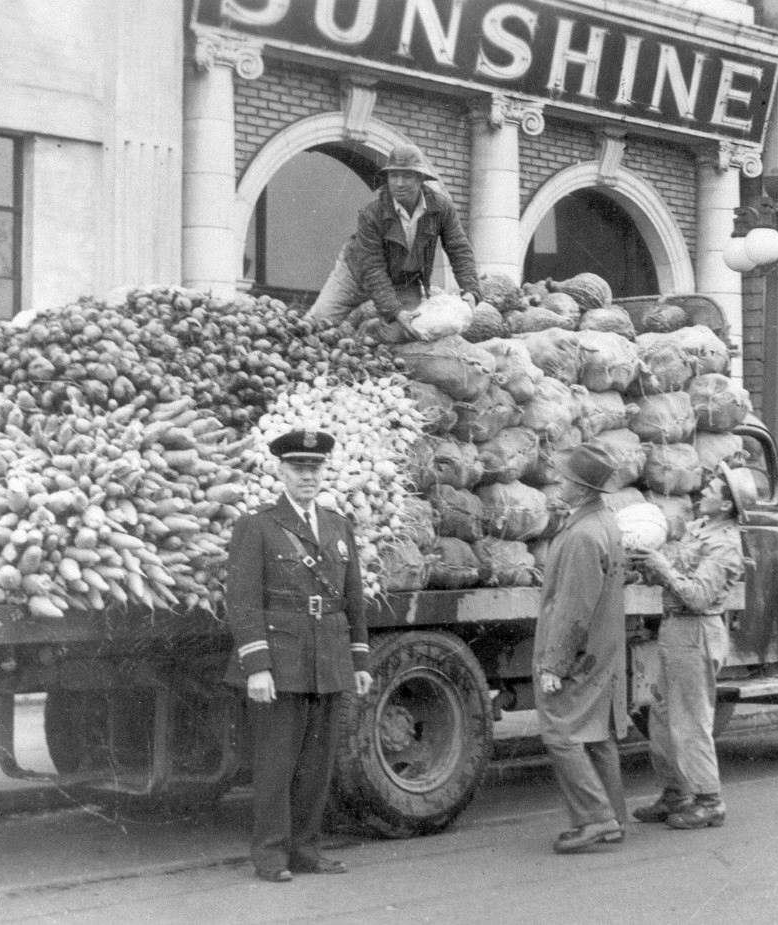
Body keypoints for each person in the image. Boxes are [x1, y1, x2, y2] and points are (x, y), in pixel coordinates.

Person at [223, 429, 374, 883]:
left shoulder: (337, 525)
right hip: (282, 658)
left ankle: (307, 849)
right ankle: (271, 855)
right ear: (281, 471)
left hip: (327, 656)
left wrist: (359, 660)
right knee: (276, 762)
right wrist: (258, 665)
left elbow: (352, 598)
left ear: (323, 472)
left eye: (314, 468)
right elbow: (243, 600)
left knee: (317, 763)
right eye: (298, 468)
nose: (307, 476)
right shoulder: (258, 525)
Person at [627, 464, 753, 830]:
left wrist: (661, 566)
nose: (704, 492)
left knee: (690, 720)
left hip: (695, 631)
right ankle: (675, 793)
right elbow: (679, 573)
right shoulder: (702, 530)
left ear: (727, 506)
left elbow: (697, 596)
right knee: (663, 716)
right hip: (676, 630)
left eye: (713, 490)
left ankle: (709, 800)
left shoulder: (726, 546)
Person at [533, 443, 629, 854]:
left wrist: (555, 663)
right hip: (602, 648)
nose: (557, 482)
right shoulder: (602, 523)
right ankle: (614, 817)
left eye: (564, 478)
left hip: (580, 652)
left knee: (559, 729)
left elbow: (574, 608)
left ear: (582, 487)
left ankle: (595, 819)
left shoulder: (583, 536)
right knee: (596, 732)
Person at [305, 143, 482, 340]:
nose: (399, 183)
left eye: (407, 176)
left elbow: (459, 249)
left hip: (404, 281)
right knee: (317, 322)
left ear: (421, 179)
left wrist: (471, 290)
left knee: (403, 334)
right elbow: (372, 269)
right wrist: (395, 312)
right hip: (356, 273)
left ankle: (369, 329)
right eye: (394, 176)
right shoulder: (372, 214)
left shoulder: (442, 209)